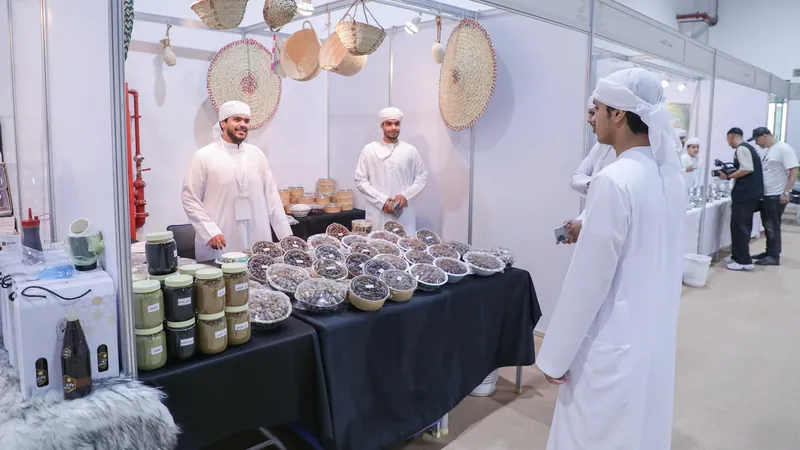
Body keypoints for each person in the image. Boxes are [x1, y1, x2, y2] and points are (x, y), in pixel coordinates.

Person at [537, 68, 686, 450]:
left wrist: (556, 356)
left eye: (598, 109)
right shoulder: (667, 177)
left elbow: (588, 282)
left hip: (611, 341)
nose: (593, 118)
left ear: (618, 114)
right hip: (651, 338)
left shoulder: (615, 180)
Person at [182, 101, 292, 261]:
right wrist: (209, 231)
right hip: (221, 238)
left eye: (246, 121)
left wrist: (285, 236)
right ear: (223, 123)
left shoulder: (256, 154)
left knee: (258, 270)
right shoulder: (203, 156)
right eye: (237, 119)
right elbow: (190, 198)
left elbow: (272, 196)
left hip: (257, 234)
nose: (243, 124)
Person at [354, 107, 428, 232]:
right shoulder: (369, 150)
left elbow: (422, 177)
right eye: (389, 124)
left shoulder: (410, 151)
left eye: (396, 124)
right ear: (382, 125)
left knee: (405, 241)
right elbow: (360, 180)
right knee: (378, 241)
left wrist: (406, 196)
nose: (393, 127)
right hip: (378, 213)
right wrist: (382, 201)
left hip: (404, 214)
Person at [562, 97, 616, 243]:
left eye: (595, 112)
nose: (591, 120)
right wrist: (579, 224)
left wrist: (583, 225)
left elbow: (615, 210)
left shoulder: (631, 157)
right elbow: (575, 178)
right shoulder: (600, 146)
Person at [748, 127, 798, 265]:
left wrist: (786, 192)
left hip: (776, 195)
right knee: (767, 225)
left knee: (772, 225)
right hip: (767, 195)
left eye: (757, 140)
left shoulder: (783, 149)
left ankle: (774, 256)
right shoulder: (770, 150)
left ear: (764, 136)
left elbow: (793, 170)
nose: (756, 143)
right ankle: (769, 251)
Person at [719, 127, 763, 271]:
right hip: (749, 193)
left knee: (741, 226)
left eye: (728, 140)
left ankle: (743, 260)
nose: (728, 143)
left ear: (731, 136)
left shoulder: (742, 149)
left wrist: (729, 176)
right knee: (738, 225)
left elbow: (747, 168)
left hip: (745, 194)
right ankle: (736, 255)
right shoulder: (749, 148)